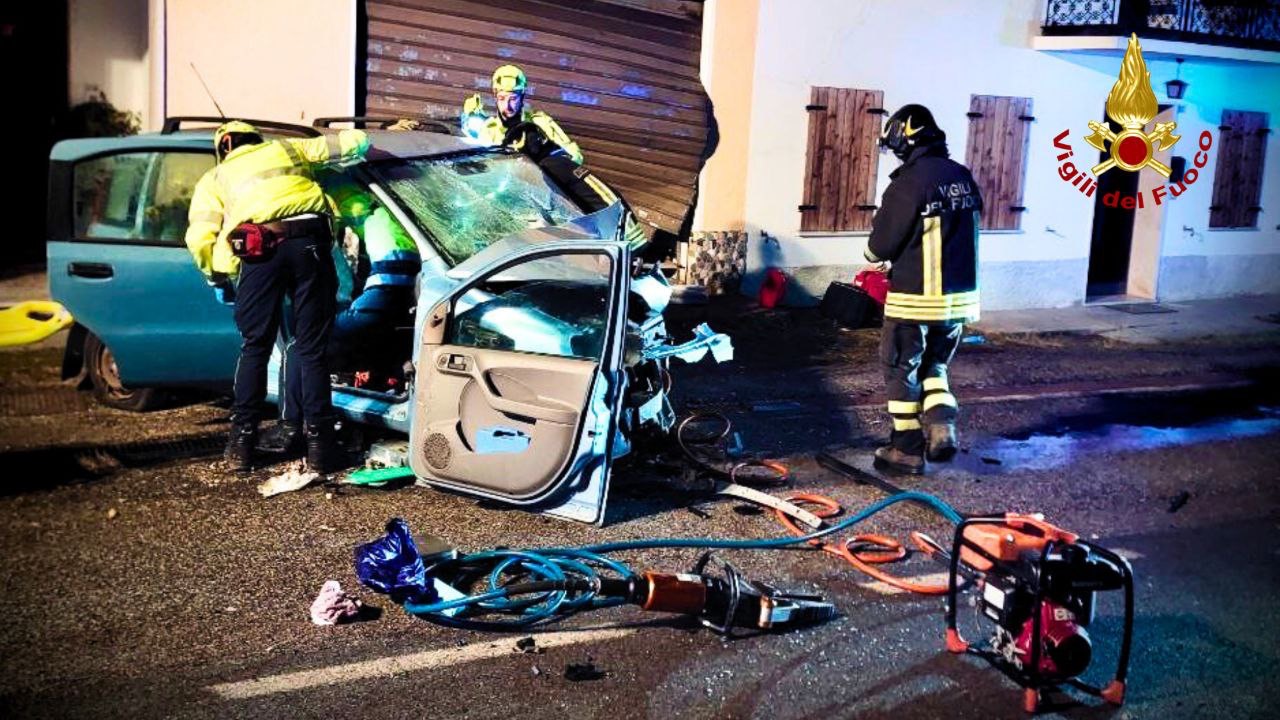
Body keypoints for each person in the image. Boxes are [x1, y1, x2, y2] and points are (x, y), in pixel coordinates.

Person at [184, 120, 370, 473]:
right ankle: (320, 447)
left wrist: (217, 276)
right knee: (311, 349)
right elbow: (354, 142)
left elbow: (199, 237)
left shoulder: (215, 177)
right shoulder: (288, 147)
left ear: (224, 147)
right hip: (310, 244)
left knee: (255, 346)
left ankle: (241, 445)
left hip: (258, 252)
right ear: (257, 139)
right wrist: (378, 133)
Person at [263, 176, 422, 454]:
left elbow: (387, 287)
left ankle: (290, 428)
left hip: (379, 305)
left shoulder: (378, 221)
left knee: (299, 347)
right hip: (396, 312)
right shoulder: (401, 216)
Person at [863, 104, 982, 475]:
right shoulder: (962, 176)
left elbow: (879, 248)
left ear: (906, 140)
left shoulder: (909, 183)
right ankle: (942, 426)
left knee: (900, 368)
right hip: (959, 301)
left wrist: (872, 254)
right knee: (936, 365)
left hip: (915, 300)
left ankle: (907, 449)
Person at [460, 64, 583, 164]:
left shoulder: (539, 123)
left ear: (522, 97)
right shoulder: (489, 129)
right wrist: (468, 116)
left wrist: (545, 156)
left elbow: (575, 157)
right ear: (495, 97)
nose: (507, 106)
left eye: (513, 99)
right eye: (502, 98)